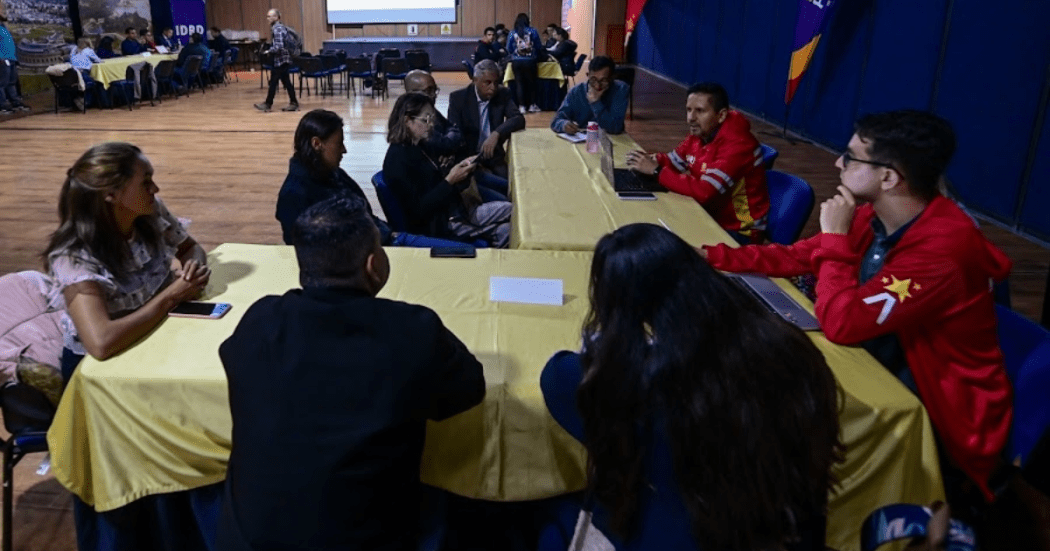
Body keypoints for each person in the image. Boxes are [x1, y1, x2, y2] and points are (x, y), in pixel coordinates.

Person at [701, 110, 1013, 511]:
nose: (837, 163)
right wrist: (709, 255)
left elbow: (843, 324)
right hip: (877, 360)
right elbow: (800, 256)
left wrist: (835, 238)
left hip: (936, 411)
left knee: (765, 411)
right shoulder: (877, 212)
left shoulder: (944, 250)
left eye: (850, 157)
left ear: (889, 177)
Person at [539, 223, 843, 551]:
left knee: (545, 516)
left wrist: (615, 340)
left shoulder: (642, 381)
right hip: (786, 530)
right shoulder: (788, 345)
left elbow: (557, 376)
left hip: (679, 533)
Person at [218, 194, 485, 551]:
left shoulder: (260, 321)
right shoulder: (412, 330)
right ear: (373, 265)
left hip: (248, 539)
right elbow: (469, 390)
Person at [42, 142, 210, 381]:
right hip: (103, 373)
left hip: (153, 336)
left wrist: (192, 270)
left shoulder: (149, 213)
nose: (156, 188)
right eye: (146, 182)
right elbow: (101, 343)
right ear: (110, 194)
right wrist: (173, 295)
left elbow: (190, 248)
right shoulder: (74, 257)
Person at [276, 109, 468, 248]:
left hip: (382, 238)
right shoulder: (295, 193)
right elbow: (305, 249)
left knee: (464, 252)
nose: (344, 150)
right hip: (369, 252)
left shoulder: (331, 172)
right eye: (339, 143)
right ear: (317, 144)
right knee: (464, 252)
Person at [625, 82, 769, 244]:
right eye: (688, 110)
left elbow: (704, 192)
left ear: (721, 115)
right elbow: (674, 161)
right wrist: (652, 159)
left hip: (739, 231)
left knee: (665, 246)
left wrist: (657, 171)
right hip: (709, 214)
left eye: (700, 111)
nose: (690, 118)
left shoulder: (738, 144)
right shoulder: (702, 132)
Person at [383, 92, 512, 247]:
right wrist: (450, 180)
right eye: (426, 120)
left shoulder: (420, 144)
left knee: (511, 218)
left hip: (456, 210)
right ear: (407, 121)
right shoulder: (397, 160)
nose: (431, 125)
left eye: (432, 118)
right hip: (443, 222)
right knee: (511, 220)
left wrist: (459, 169)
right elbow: (418, 211)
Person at [447, 59, 525, 183]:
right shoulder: (458, 98)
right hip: (468, 157)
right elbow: (455, 133)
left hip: (493, 155)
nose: (493, 88)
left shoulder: (502, 93)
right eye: (487, 83)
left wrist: (496, 133)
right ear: (475, 80)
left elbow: (518, 118)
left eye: (496, 82)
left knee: (510, 186)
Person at [550, 55, 629, 135]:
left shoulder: (620, 89)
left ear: (612, 78)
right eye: (593, 79)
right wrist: (564, 125)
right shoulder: (576, 91)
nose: (597, 86)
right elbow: (556, 120)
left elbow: (615, 128)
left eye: (603, 80)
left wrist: (596, 103)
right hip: (583, 139)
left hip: (613, 139)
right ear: (588, 75)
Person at [255, 9, 298, 112]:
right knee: (286, 82)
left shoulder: (277, 28)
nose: (268, 18)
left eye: (269, 16)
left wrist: (268, 51)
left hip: (281, 59)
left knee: (274, 82)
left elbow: (279, 45)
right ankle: (293, 102)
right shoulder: (280, 27)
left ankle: (268, 104)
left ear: (276, 17)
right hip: (284, 59)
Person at [507, 12, 542, 114]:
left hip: (516, 61)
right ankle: (531, 105)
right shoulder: (533, 31)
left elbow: (508, 48)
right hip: (530, 61)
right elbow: (538, 46)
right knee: (531, 84)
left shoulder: (512, 33)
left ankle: (521, 107)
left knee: (519, 83)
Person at [0, 7, 29, 114]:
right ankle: (2, 105)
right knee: (2, 83)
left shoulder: (3, 28)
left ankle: (15, 102)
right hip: (3, 59)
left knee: (11, 82)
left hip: (11, 58)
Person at [69, 38, 102, 109]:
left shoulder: (73, 50)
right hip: (83, 72)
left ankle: (81, 100)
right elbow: (98, 60)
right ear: (88, 43)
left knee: (81, 85)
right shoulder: (88, 50)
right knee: (92, 84)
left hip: (72, 73)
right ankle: (86, 102)